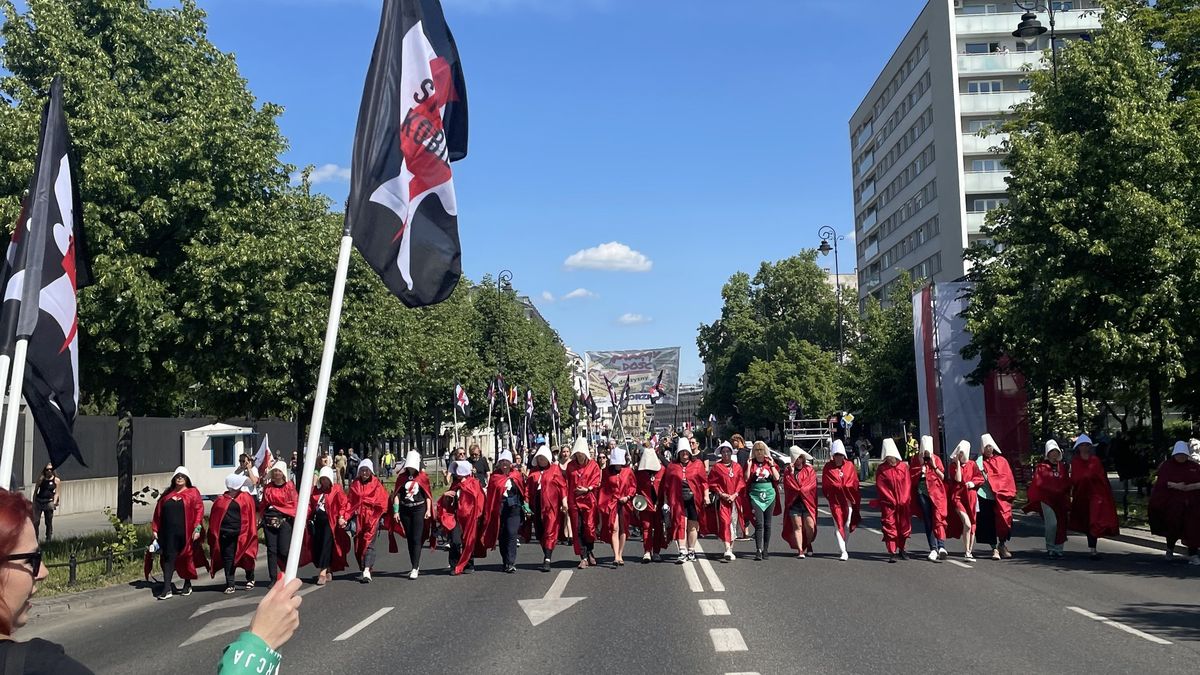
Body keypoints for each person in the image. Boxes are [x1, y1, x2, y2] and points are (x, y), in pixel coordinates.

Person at [150, 466, 206, 599]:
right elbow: (158, 513)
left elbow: (199, 511)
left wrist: (197, 529)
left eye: (182, 476)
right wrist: (155, 529)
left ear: (187, 479)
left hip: (186, 532)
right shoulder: (167, 495)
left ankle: (187, 583)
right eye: (177, 476)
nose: (179, 478)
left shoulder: (193, 493)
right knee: (169, 559)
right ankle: (167, 588)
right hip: (169, 534)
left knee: (186, 558)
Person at [1068, 434, 1119, 559]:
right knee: (1086, 521)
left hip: (1096, 495)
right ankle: (1091, 546)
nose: (1084, 447)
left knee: (1094, 520)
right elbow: (1075, 478)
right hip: (1082, 496)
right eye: (1082, 445)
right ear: (1078, 447)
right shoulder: (1075, 462)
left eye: (1087, 445)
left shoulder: (1095, 461)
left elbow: (1101, 478)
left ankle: (1093, 549)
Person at [1149, 441, 1200, 564]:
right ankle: (1170, 548)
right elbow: (1161, 482)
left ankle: (1193, 554)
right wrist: (1175, 485)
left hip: (1192, 504)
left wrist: (1191, 487)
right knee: (1173, 527)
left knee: (1193, 528)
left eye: (1183, 455)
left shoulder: (1194, 466)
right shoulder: (1167, 466)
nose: (1181, 457)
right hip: (1173, 503)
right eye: (1179, 454)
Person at [660, 436, 709, 563]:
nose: (684, 454)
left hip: (693, 499)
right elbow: (666, 485)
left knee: (692, 526)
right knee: (680, 524)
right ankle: (682, 550)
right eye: (682, 452)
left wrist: (706, 496)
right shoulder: (672, 466)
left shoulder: (697, 464)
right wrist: (665, 502)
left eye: (686, 452)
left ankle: (691, 550)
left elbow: (704, 482)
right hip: (677, 499)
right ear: (679, 453)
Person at [208, 474, 259, 594]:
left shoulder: (246, 497)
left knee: (246, 555)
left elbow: (251, 514)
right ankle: (230, 583)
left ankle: (250, 578)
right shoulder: (221, 500)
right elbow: (214, 519)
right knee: (228, 558)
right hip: (226, 533)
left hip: (243, 533)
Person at [480, 450, 527, 573]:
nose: (504, 464)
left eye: (506, 462)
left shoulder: (517, 475)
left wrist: (526, 504)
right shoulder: (495, 477)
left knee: (511, 533)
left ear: (511, 463)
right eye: (502, 462)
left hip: (514, 508)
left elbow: (523, 490)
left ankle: (511, 562)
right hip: (500, 508)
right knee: (502, 535)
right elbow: (491, 495)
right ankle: (505, 560)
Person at [390, 451, 434, 579]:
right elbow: (397, 494)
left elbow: (427, 495)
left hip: (419, 509)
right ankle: (413, 564)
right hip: (405, 510)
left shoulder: (422, 477)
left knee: (416, 537)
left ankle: (415, 567)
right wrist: (396, 511)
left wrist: (428, 510)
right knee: (409, 538)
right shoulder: (401, 478)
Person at [1024, 440, 1071, 558]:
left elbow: (1066, 481)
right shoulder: (1042, 467)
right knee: (1052, 524)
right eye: (1051, 452)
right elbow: (1039, 483)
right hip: (1047, 500)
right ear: (1048, 453)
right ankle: (1050, 546)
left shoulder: (1063, 467)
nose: (1054, 454)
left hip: (1060, 500)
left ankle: (1059, 548)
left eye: (1056, 451)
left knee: (1061, 524)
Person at [528, 444, 568, 572]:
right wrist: (526, 503)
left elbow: (562, 486)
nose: (541, 460)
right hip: (537, 503)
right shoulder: (533, 471)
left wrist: (564, 502)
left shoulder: (555, 470)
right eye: (539, 458)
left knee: (550, 529)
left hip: (551, 505)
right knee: (540, 531)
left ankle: (547, 558)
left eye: (543, 458)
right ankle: (546, 550)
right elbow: (528, 489)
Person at [976, 433, 1017, 560]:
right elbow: (975, 476)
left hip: (1001, 496)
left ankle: (1002, 544)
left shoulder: (1001, 461)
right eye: (986, 447)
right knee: (988, 522)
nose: (989, 449)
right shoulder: (979, 462)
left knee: (1004, 520)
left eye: (990, 446)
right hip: (985, 495)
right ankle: (994, 548)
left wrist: (1004, 490)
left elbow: (1006, 477)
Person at [347, 459, 388, 582]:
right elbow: (350, 501)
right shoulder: (355, 484)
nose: (364, 473)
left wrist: (379, 514)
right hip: (359, 517)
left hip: (372, 516)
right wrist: (345, 515)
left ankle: (367, 569)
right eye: (362, 470)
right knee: (359, 544)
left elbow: (383, 500)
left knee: (369, 543)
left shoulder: (376, 484)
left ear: (370, 471)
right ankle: (363, 566)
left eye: (367, 470)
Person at [309, 466, 350, 585]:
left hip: (330, 521)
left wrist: (342, 516)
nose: (324, 481)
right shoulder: (315, 491)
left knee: (326, 545)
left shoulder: (336, 489)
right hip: (317, 521)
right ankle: (328, 568)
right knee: (318, 545)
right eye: (322, 479)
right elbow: (311, 506)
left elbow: (343, 504)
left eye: (326, 479)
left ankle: (322, 572)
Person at [872, 438, 912, 562]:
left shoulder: (903, 467)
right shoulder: (882, 469)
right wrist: (890, 499)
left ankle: (902, 549)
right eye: (887, 457)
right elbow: (881, 486)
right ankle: (892, 551)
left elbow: (907, 484)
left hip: (903, 503)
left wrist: (904, 499)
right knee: (890, 526)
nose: (890, 459)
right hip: (888, 504)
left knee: (903, 526)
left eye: (891, 457)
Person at [259, 461, 298, 583]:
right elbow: (264, 504)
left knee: (284, 550)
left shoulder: (289, 486)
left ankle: (289, 572)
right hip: (269, 521)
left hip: (284, 521)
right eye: (275, 471)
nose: (277, 473)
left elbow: (294, 503)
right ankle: (273, 578)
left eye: (279, 471)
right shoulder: (268, 487)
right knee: (271, 550)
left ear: (283, 473)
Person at [910, 435, 948, 561]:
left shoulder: (936, 459)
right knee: (928, 520)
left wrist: (933, 466)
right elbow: (911, 477)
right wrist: (920, 471)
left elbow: (942, 476)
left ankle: (941, 546)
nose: (926, 454)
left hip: (937, 493)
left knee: (938, 518)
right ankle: (933, 548)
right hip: (922, 492)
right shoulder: (916, 459)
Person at [822, 440, 861, 561]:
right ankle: (843, 551)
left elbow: (854, 482)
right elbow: (826, 484)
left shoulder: (849, 465)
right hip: (835, 501)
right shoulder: (828, 467)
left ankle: (844, 544)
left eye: (840, 455)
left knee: (847, 523)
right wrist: (834, 488)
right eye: (836, 455)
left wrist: (847, 486)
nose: (838, 457)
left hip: (848, 499)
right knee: (838, 524)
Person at [444, 460, 484, 575]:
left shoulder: (474, 483)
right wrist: (446, 496)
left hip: (470, 517)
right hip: (456, 517)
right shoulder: (456, 484)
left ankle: (469, 564)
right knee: (455, 541)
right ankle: (454, 564)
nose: (456, 472)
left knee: (469, 541)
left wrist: (477, 514)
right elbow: (449, 500)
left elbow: (480, 499)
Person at [707, 442, 745, 561]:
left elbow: (741, 482)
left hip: (735, 500)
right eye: (723, 452)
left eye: (728, 451)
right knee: (725, 522)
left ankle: (730, 549)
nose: (726, 454)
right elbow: (712, 483)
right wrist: (722, 494)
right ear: (721, 454)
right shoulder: (717, 468)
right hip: (723, 500)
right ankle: (727, 548)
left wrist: (735, 494)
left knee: (733, 523)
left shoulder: (737, 467)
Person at [567, 436, 601, 568]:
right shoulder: (571, 466)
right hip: (574, 501)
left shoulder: (593, 465)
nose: (579, 456)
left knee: (589, 528)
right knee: (578, 528)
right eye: (577, 454)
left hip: (588, 501)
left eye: (581, 454)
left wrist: (587, 489)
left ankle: (590, 550)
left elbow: (597, 481)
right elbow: (566, 482)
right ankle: (583, 557)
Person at [599, 445, 636, 566]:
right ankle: (616, 555)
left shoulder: (628, 471)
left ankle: (620, 553)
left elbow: (633, 486)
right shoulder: (606, 472)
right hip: (612, 502)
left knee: (623, 527)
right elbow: (604, 488)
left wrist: (628, 496)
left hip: (625, 502)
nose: (618, 466)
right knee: (614, 528)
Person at [945, 441, 982, 561]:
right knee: (967, 523)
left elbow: (979, 478)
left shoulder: (972, 464)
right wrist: (957, 463)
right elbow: (958, 479)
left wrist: (973, 483)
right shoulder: (953, 466)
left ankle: (968, 551)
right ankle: (967, 551)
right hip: (958, 497)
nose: (961, 455)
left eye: (962, 453)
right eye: (959, 453)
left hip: (970, 497)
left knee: (972, 523)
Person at [745, 441, 780, 561]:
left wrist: (771, 465)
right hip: (755, 495)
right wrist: (749, 466)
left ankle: (766, 549)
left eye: (761, 450)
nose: (759, 453)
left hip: (769, 495)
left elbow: (776, 477)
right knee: (759, 523)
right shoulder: (751, 463)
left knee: (767, 524)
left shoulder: (769, 462)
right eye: (757, 450)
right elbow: (746, 478)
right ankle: (758, 549)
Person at [781, 446, 818, 558]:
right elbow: (789, 485)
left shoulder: (809, 469)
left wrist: (801, 489)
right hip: (794, 503)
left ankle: (808, 543)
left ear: (802, 458)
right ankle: (800, 550)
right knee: (798, 526)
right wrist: (792, 473)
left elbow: (811, 484)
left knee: (810, 526)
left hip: (807, 503)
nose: (798, 460)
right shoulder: (788, 471)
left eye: (799, 458)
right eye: (795, 458)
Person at [634, 445, 666, 563]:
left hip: (659, 504)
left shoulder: (662, 470)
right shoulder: (640, 473)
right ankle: (647, 551)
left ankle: (656, 552)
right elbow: (636, 489)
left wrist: (661, 502)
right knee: (646, 527)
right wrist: (637, 505)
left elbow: (663, 488)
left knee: (658, 528)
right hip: (645, 505)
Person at [31, 464, 60, 542]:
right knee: (36, 521)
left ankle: (48, 537)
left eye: (50, 469)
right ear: (45, 471)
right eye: (47, 469)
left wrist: (54, 502)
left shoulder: (56, 480)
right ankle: (35, 539)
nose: (49, 471)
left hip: (49, 501)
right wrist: (34, 502)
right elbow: (35, 491)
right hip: (39, 501)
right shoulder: (41, 479)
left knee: (48, 521)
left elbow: (57, 493)